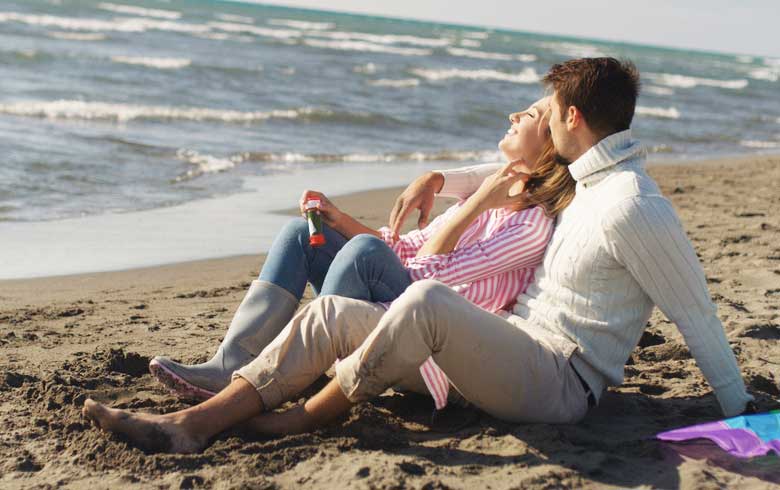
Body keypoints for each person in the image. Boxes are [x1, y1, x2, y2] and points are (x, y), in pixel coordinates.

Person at [83, 57, 753, 454]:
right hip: (511, 351)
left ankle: (300, 416)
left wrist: (749, 424)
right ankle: (190, 425)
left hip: (562, 383)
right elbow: (499, 178)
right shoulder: (583, 185)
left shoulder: (634, 203)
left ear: (574, 120)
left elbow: (697, 316)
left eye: (546, 113)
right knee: (333, 316)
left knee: (425, 298)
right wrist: (441, 180)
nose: (540, 123)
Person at [148, 96, 573, 403]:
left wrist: (476, 203)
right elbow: (405, 249)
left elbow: (429, 276)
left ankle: (287, 368)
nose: (513, 115)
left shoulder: (529, 226)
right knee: (302, 234)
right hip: (401, 297)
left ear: (549, 144)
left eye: (530, 115)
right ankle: (232, 363)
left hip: (426, 337)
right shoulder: (493, 191)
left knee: (367, 251)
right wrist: (335, 217)